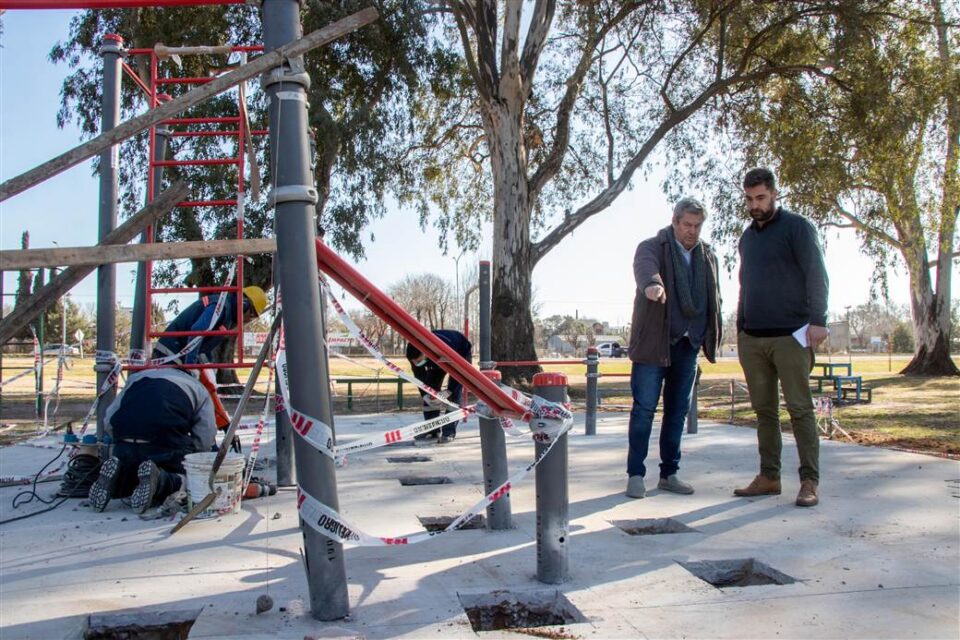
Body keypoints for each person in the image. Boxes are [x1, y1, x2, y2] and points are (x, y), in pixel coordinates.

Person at [733, 167, 829, 507]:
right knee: (765, 412)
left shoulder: (798, 228)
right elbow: (746, 284)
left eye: (760, 197)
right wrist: (741, 325)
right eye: (749, 199)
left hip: (791, 336)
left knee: (800, 410)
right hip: (753, 339)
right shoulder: (747, 238)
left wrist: (818, 320)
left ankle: (809, 482)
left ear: (774, 194)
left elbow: (817, 274)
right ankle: (769, 476)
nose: (754, 205)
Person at [625, 197, 722, 499]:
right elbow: (645, 269)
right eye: (687, 225)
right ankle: (636, 475)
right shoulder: (653, 246)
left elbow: (714, 297)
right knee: (644, 410)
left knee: (677, 412)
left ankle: (670, 473)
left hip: (688, 344)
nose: (692, 231)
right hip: (654, 345)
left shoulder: (708, 256)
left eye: (697, 226)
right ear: (675, 221)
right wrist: (653, 286)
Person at [88, 367, 216, 513]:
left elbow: (109, 419)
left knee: (135, 471)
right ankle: (163, 480)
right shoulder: (197, 387)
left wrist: (121, 440)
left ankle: (118, 481)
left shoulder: (136, 379)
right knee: (193, 480)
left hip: (124, 445)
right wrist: (196, 461)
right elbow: (205, 435)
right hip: (164, 445)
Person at [152, 285, 268, 365]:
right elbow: (198, 330)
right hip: (170, 353)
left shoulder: (226, 316)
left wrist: (208, 364)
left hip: (178, 355)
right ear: (244, 305)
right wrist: (191, 366)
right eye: (251, 315)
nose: (248, 320)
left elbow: (204, 341)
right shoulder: (220, 306)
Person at [405, 329, 472, 444]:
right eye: (415, 362)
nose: (417, 364)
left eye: (419, 361)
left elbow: (455, 382)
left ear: (424, 352)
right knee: (430, 392)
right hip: (436, 359)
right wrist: (425, 394)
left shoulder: (443, 345)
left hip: (458, 353)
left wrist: (449, 391)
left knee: (454, 396)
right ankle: (432, 428)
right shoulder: (413, 352)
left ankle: (449, 431)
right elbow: (419, 378)